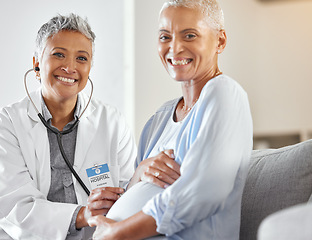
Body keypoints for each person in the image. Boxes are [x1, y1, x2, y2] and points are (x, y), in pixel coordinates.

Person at [0, 13, 136, 240]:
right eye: (59, 54)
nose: (70, 67)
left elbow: (128, 195)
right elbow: (13, 207)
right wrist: (82, 214)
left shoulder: (112, 123)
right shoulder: (6, 123)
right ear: (37, 63)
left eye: (81, 58)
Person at [88, 0, 253, 239]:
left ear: (220, 41)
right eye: (165, 37)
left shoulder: (224, 93)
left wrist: (116, 232)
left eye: (189, 35)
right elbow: (140, 195)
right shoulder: (159, 119)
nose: (174, 48)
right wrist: (135, 178)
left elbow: (203, 193)